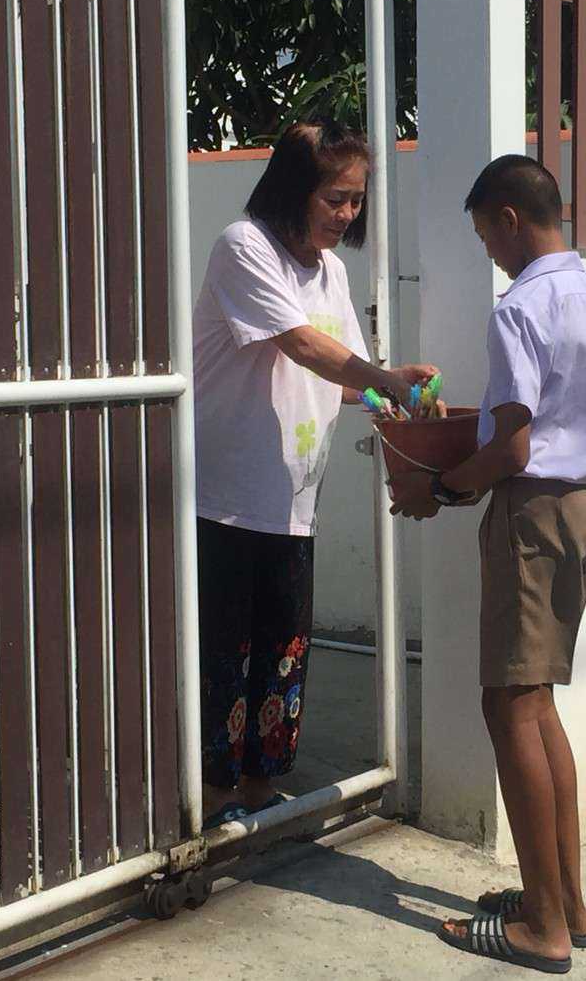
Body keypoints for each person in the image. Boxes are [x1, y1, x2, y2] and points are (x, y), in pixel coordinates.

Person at [390, 155, 586, 974]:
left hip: (533, 511)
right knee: (537, 705)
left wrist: (439, 487)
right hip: (584, 505)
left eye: (486, 235)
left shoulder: (522, 307)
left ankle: (544, 929)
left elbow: (515, 446)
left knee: (509, 708)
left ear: (509, 220)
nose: (488, 251)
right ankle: (564, 903)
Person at [192, 120, 438, 830]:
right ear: (294, 189)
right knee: (224, 652)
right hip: (224, 497)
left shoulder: (331, 271)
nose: (348, 214)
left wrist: (396, 393)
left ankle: (259, 791)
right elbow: (302, 345)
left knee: (283, 648)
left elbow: (344, 375)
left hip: (293, 500)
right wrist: (385, 379)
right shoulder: (244, 247)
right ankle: (210, 798)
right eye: (336, 198)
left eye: (357, 200)